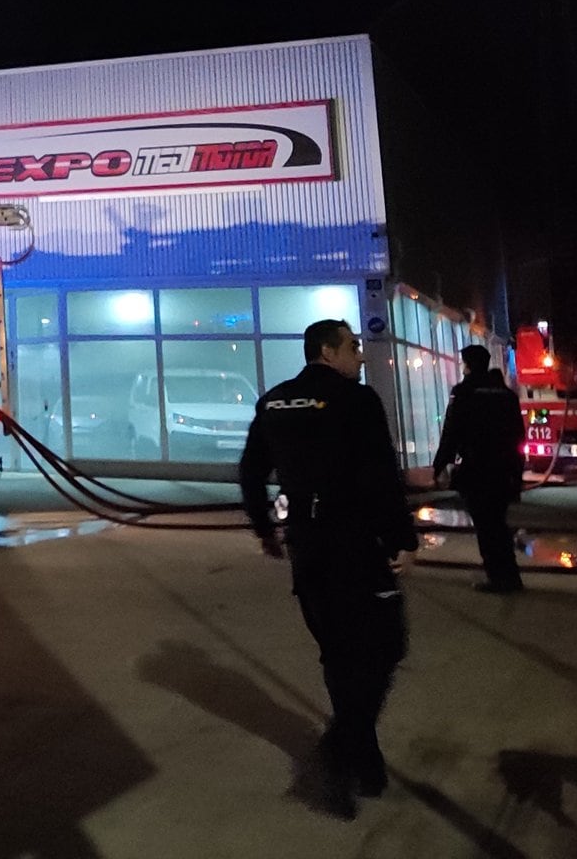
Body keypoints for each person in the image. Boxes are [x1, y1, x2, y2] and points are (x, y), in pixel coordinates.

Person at [239, 319, 418, 807]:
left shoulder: (274, 401)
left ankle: (360, 754)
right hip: (354, 544)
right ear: (327, 351)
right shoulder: (357, 401)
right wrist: (403, 538)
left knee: (338, 653)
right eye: (353, 347)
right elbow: (382, 474)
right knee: (386, 646)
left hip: (307, 545)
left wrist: (265, 529)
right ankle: (344, 747)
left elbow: (251, 470)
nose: (360, 357)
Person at [433, 343, 526, 593]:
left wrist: (440, 464)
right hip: (503, 469)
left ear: (469, 364)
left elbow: (451, 431)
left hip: (477, 469)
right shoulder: (506, 394)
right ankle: (510, 575)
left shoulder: (464, 392)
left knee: (486, 527)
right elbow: (519, 435)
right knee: (499, 523)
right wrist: (517, 473)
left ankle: (498, 578)